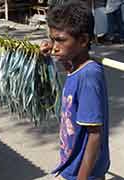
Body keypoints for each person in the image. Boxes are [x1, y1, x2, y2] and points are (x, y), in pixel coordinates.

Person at [40, 1, 110, 179]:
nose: (55, 46)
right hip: (73, 164)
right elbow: (69, 66)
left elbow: (94, 135)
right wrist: (55, 53)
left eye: (61, 40)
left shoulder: (88, 76)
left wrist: (82, 177)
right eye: (52, 39)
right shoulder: (76, 66)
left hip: (85, 172)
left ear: (84, 40)